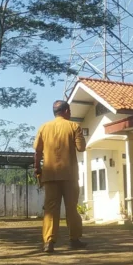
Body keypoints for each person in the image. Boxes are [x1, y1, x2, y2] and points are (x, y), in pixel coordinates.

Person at [34, 100, 87, 253]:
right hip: (69, 175)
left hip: (49, 175)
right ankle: (74, 239)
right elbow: (81, 148)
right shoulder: (74, 126)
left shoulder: (44, 127)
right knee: (71, 208)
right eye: (69, 111)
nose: (70, 114)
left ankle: (48, 243)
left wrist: (37, 168)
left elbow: (37, 152)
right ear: (66, 111)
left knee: (50, 209)